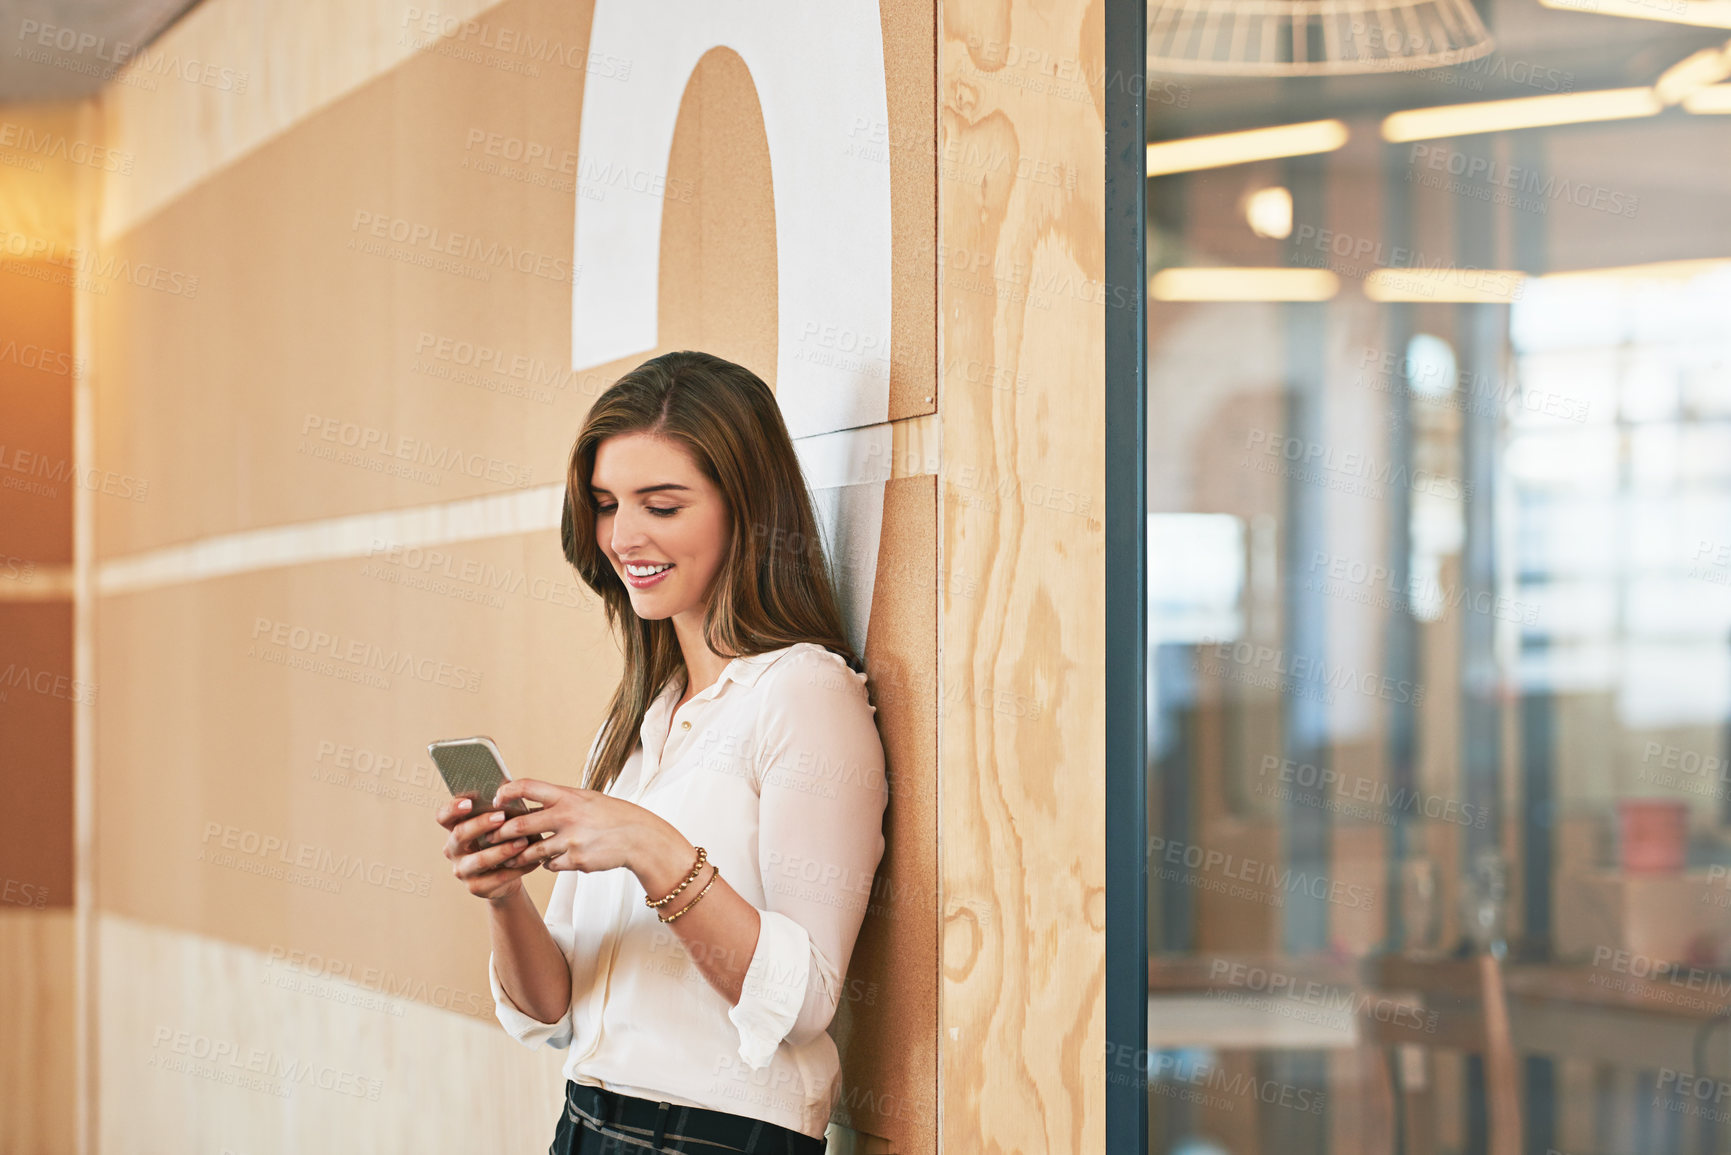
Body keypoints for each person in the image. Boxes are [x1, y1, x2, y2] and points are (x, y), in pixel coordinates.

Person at [435, 350, 889, 1155]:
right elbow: (553, 1007)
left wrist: (652, 848)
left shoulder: (803, 693)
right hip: (585, 1123)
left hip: (711, 1140)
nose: (623, 536)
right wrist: (503, 893)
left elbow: (806, 998)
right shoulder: (641, 719)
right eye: (607, 504)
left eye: (663, 504)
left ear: (743, 509)